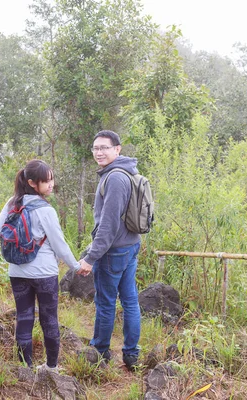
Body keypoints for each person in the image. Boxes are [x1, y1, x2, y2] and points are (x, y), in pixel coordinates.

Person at [0, 159, 81, 373]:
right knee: (49, 319)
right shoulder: (46, 210)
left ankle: (25, 368)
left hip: (17, 272)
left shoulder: (13, 203)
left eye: (51, 179)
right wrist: (76, 266)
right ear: (32, 183)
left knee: (24, 318)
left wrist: (19, 240)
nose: (51, 184)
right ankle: (51, 367)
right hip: (45, 274)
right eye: (46, 181)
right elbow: (60, 245)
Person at [77, 130, 142, 371]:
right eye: (95, 148)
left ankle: (100, 352)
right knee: (130, 300)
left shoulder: (115, 177)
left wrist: (91, 257)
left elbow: (109, 223)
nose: (99, 152)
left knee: (106, 302)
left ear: (118, 149)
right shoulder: (129, 172)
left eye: (104, 147)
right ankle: (131, 354)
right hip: (130, 245)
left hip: (114, 251)